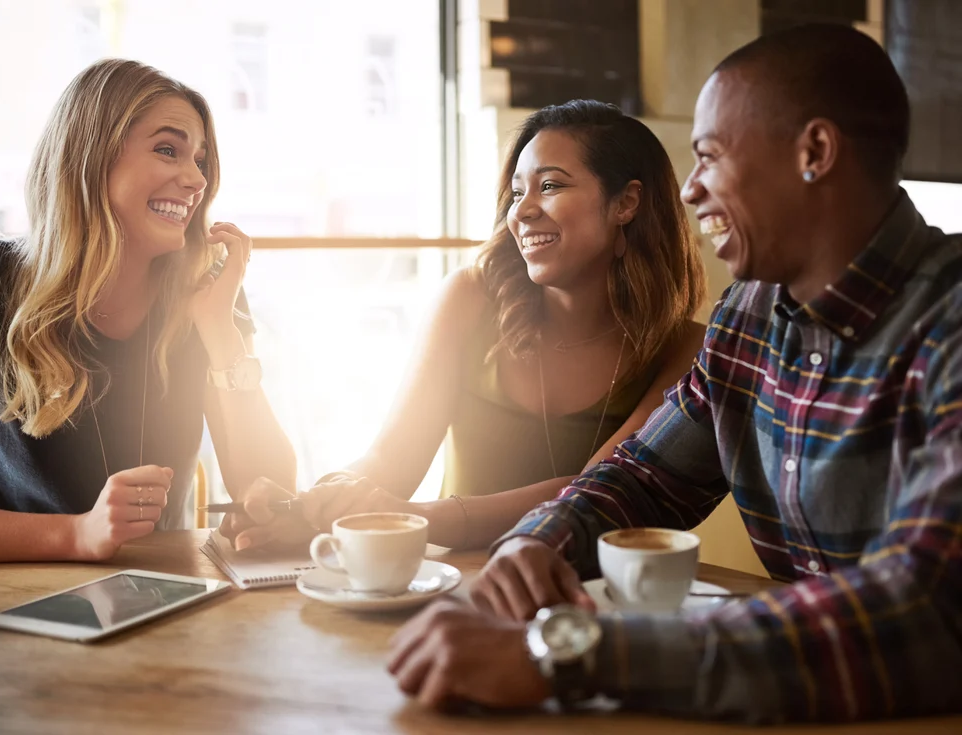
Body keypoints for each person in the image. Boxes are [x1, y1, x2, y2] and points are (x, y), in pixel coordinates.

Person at [387, 24, 962, 723]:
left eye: (710, 156)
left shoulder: (950, 321)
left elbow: (927, 606)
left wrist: (573, 652)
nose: (690, 190)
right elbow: (644, 479)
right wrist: (536, 543)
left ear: (814, 152)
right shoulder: (747, 317)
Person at [225, 100, 706, 552]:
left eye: (551, 186)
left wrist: (416, 518)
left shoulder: (687, 349)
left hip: (597, 605)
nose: (522, 209)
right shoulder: (470, 300)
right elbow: (391, 463)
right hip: (458, 595)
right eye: (517, 192)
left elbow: (596, 493)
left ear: (626, 203)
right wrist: (313, 505)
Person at [0, 59, 297, 562]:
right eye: (168, 150)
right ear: (90, 157)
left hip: (166, 602)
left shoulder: (208, 293)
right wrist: (77, 534)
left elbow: (272, 489)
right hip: (13, 605)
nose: (196, 180)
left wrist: (219, 331)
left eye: (200, 162)